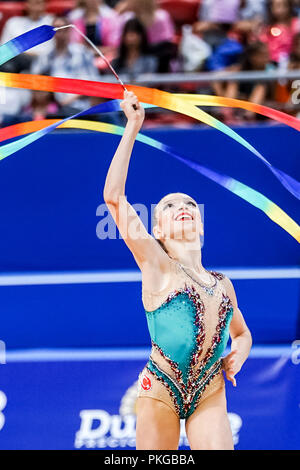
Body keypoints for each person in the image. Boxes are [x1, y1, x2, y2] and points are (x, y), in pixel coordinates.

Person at [103, 91, 252, 450]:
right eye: (169, 206)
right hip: (160, 386)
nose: (182, 207)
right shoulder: (156, 264)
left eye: (189, 204)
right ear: (157, 229)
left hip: (209, 387)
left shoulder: (222, 284)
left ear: (200, 224)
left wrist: (239, 355)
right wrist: (133, 126)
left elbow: (243, 333)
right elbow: (113, 197)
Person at [31, 16, 100, 114]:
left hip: (78, 107)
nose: (59, 33)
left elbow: (92, 83)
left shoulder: (82, 53)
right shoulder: (44, 58)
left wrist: (67, 101)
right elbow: (34, 84)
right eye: (56, 29)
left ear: (69, 31)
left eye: (62, 29)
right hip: (51, 108)